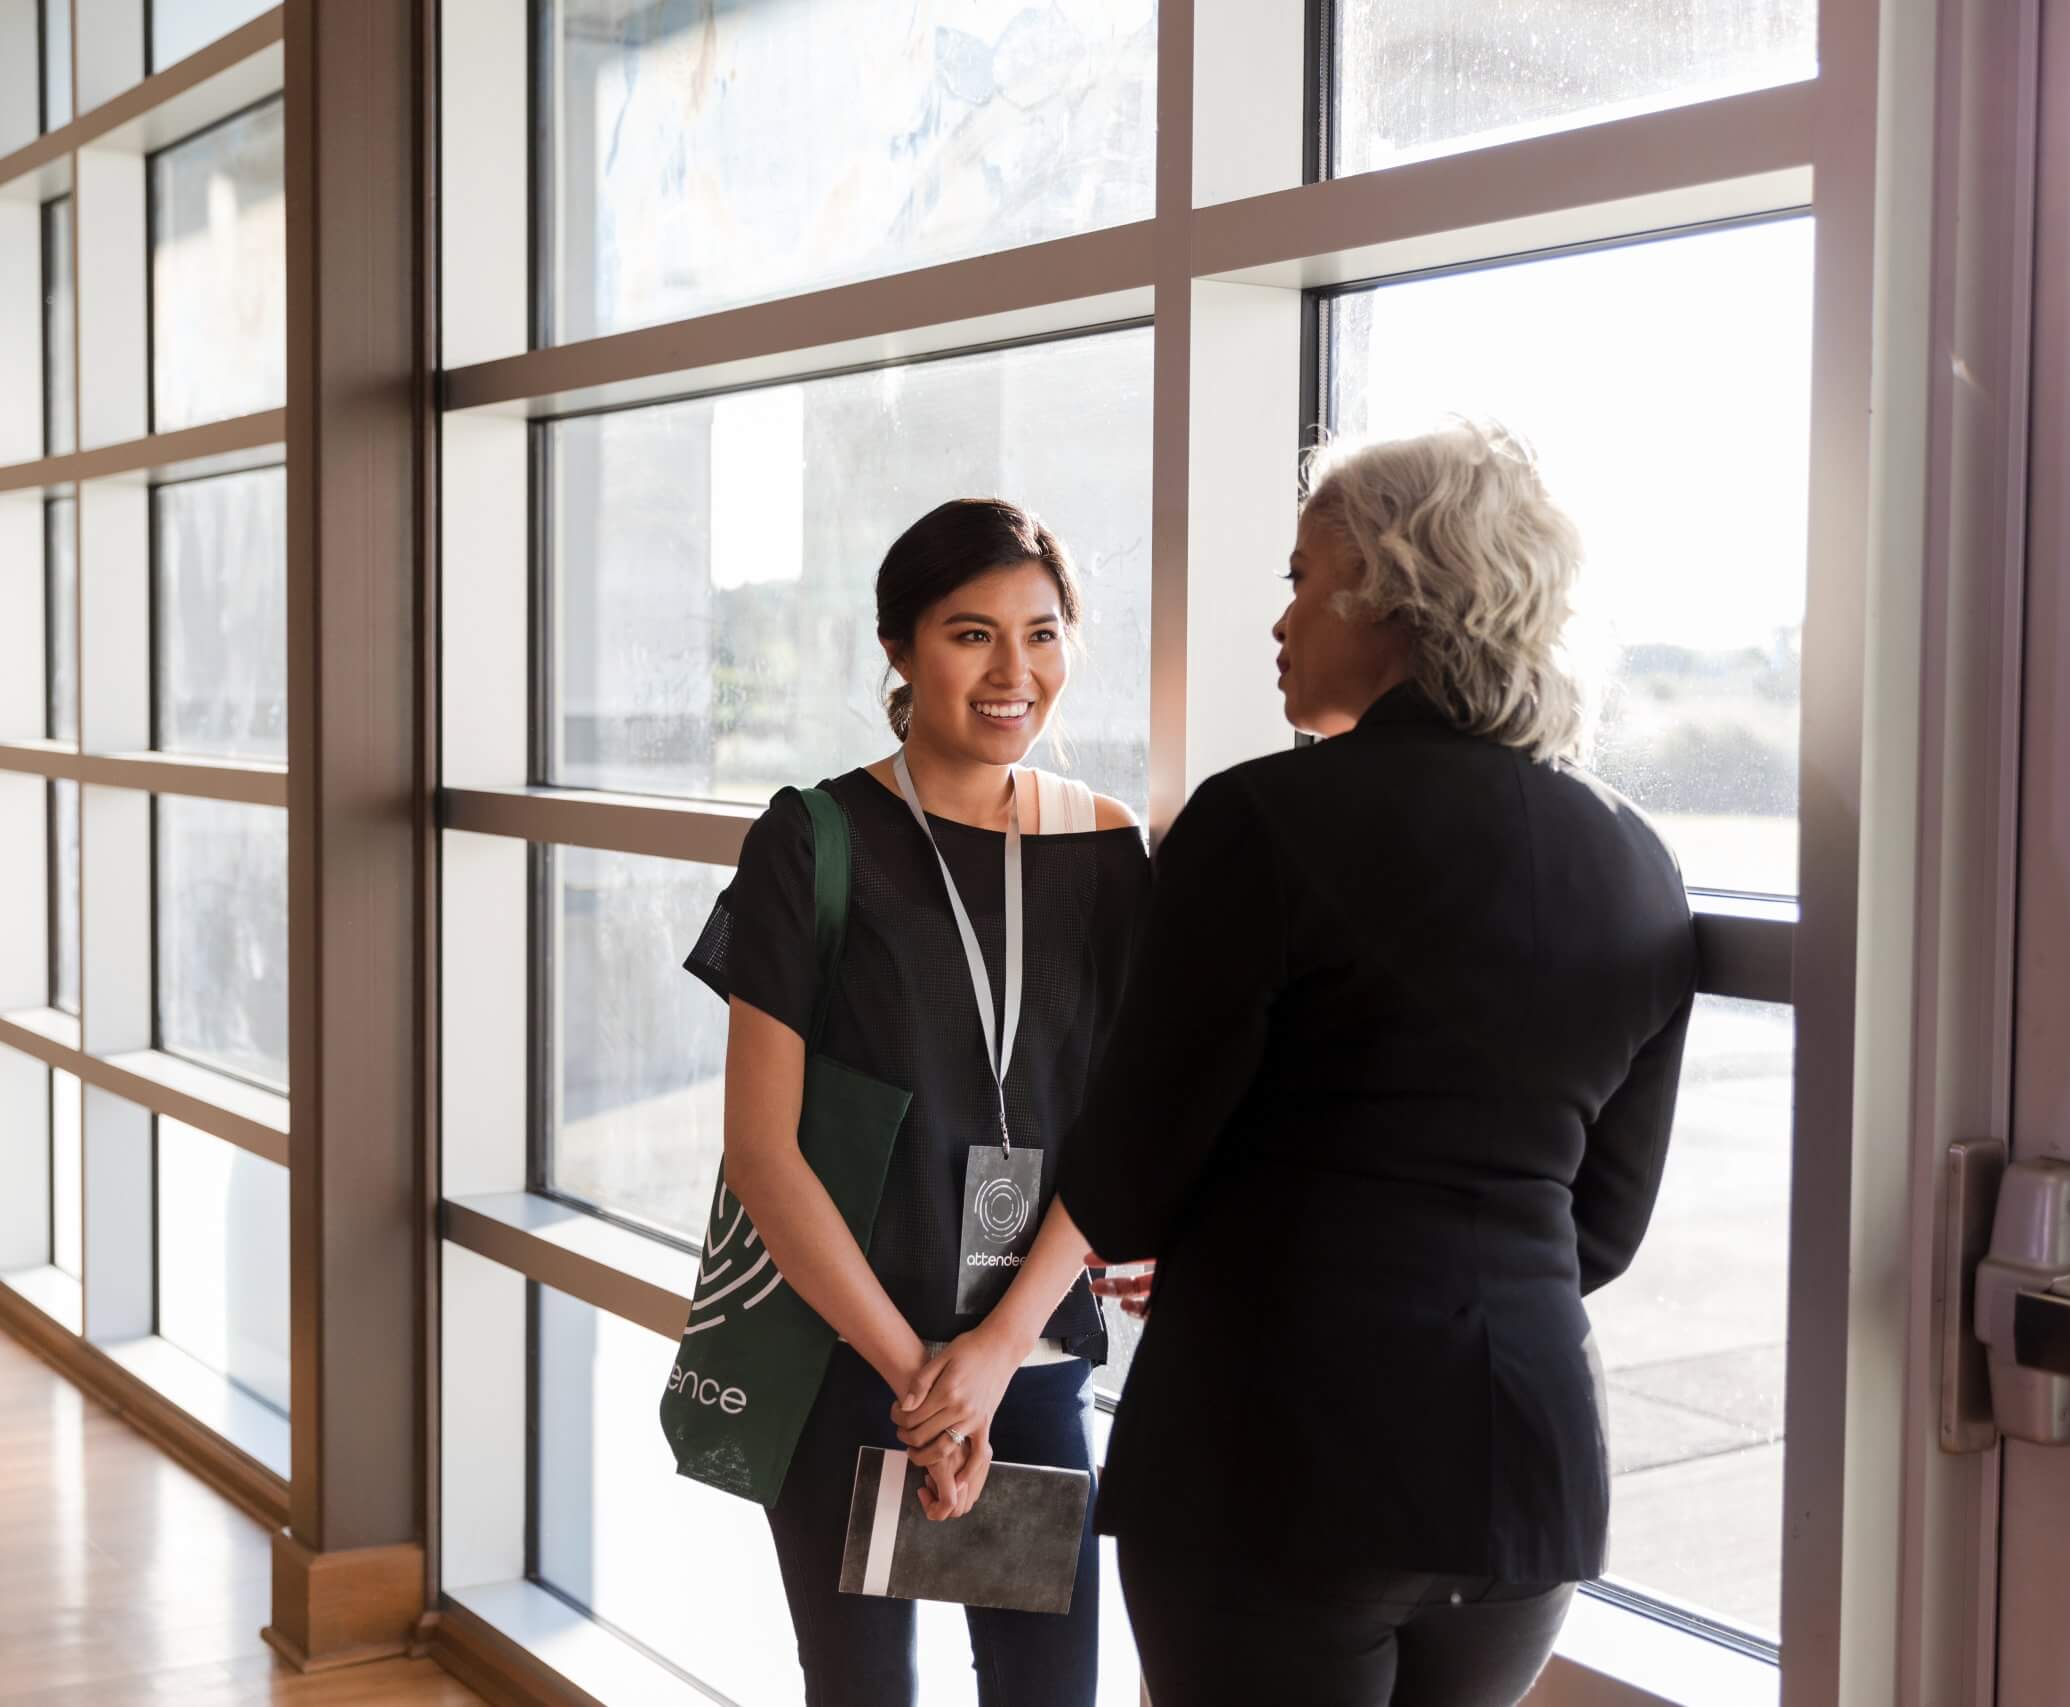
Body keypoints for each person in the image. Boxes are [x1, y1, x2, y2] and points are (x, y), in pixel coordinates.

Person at [1062, 420, 1698, 1707]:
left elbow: (1125, 1189)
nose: (1281, 619)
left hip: (1278, 1457)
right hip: (1520, 1473)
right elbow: (1606, 1227)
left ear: (1389, 591)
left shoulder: (1261, 823)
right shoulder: (1636, 860)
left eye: (1302, 576)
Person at [683, 498, 1147, 1706]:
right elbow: (761, 1149)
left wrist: (990, 1362)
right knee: (861, 1691)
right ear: (898, 647)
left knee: (1047, 1692)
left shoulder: (1105, 850)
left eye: (1042, 634)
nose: (1015, 672)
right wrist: (917, 1381)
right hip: (844, 1356)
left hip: (1030, 1353)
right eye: (971, 633)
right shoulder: (813, 839)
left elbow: (1118, 1130)